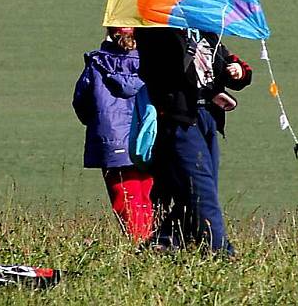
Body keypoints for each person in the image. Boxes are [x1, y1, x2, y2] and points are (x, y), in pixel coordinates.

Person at [135, 27, 252, 255]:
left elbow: (228, 65)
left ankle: (165, 240)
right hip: (179, 121)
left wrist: (237, 71)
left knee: (197, 189)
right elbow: (161, 72)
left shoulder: (207, 33)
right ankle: (219, 251)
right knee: (202, 189)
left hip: (208, 118)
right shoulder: (155, 34)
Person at [72, 27, 154, 242]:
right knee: (148, 195)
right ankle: (154, 241)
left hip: (111, 140)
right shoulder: (156, 61)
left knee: (125, 197)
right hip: (149, 139)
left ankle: (139, 243)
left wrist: (98, 124)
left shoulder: (97, 63)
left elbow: (82, 102)